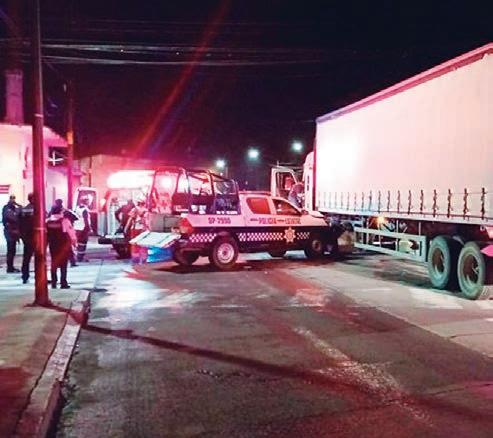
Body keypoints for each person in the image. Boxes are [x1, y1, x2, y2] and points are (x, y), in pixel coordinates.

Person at [46, 205, 76, 289]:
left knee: (54, 263)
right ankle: (63, 282)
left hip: (52, 245)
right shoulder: (64, 221)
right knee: (63, 264)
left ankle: (54, 281)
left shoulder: (47, 221)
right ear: (60, 211)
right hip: (63, 245)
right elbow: (71, 233)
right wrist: (74, 242)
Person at [125, 198, 148, 263]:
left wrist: (126, 228)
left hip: (135, 228)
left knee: (135, 244)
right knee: (143, 244)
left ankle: (136, 258)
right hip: (144, 229)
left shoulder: (134, 209)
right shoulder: (146, 210)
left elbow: (130, 219)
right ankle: (143, 259)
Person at [2, 195, 21, 273]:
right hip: (9, 232)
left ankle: (11, 267)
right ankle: (9, 268)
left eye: (14, 199)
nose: (13, 200)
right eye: (12, 199)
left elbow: (20, 211)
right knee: (10, 250)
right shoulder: (7, 208)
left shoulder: (14, 208)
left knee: (13, 250)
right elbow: (11, 217)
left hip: (14, 232)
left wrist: (18, 206)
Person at [19, 193, 35, 283]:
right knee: (40, 258)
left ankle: (25, 276)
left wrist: (22, 236)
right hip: (35, 236)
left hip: (27, 237)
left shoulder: (24, 209)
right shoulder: (38, 209)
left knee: (26, 258)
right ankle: (40, 276)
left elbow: (20, 223)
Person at [73, 196, 92, 262]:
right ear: (86, 202)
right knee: (83, 243)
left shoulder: (76, 208)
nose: (89, 202)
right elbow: (86, 220)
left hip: (76, 228)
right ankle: (80, 257)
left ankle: (77, 257)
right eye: (88, 201)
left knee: (78, 243)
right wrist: (89, 228)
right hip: (83, 228)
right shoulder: (85, 210)